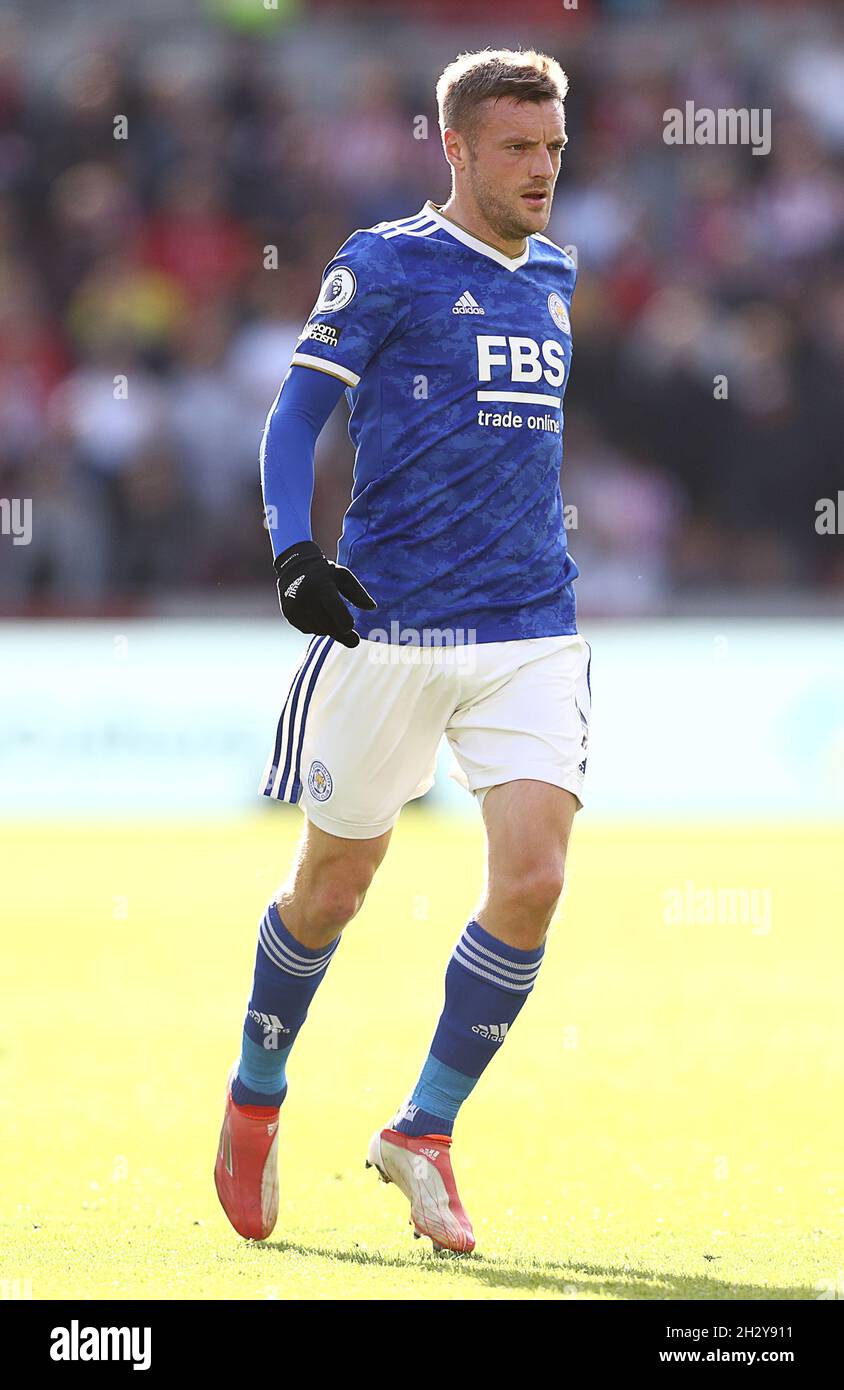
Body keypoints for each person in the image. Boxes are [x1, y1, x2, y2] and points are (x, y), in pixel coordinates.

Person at [215, 48, 591, 1253]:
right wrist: (292, 551)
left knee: (532, 880)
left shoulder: (558, 273)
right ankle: (255, 1093)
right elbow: (295, 415)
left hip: (531, 626)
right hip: (391, 624)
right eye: (520, 147)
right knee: (333, 890)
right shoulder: (384, 265)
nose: (543, 168)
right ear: (460, 148)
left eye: (554, 144)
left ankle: (421, 1129)